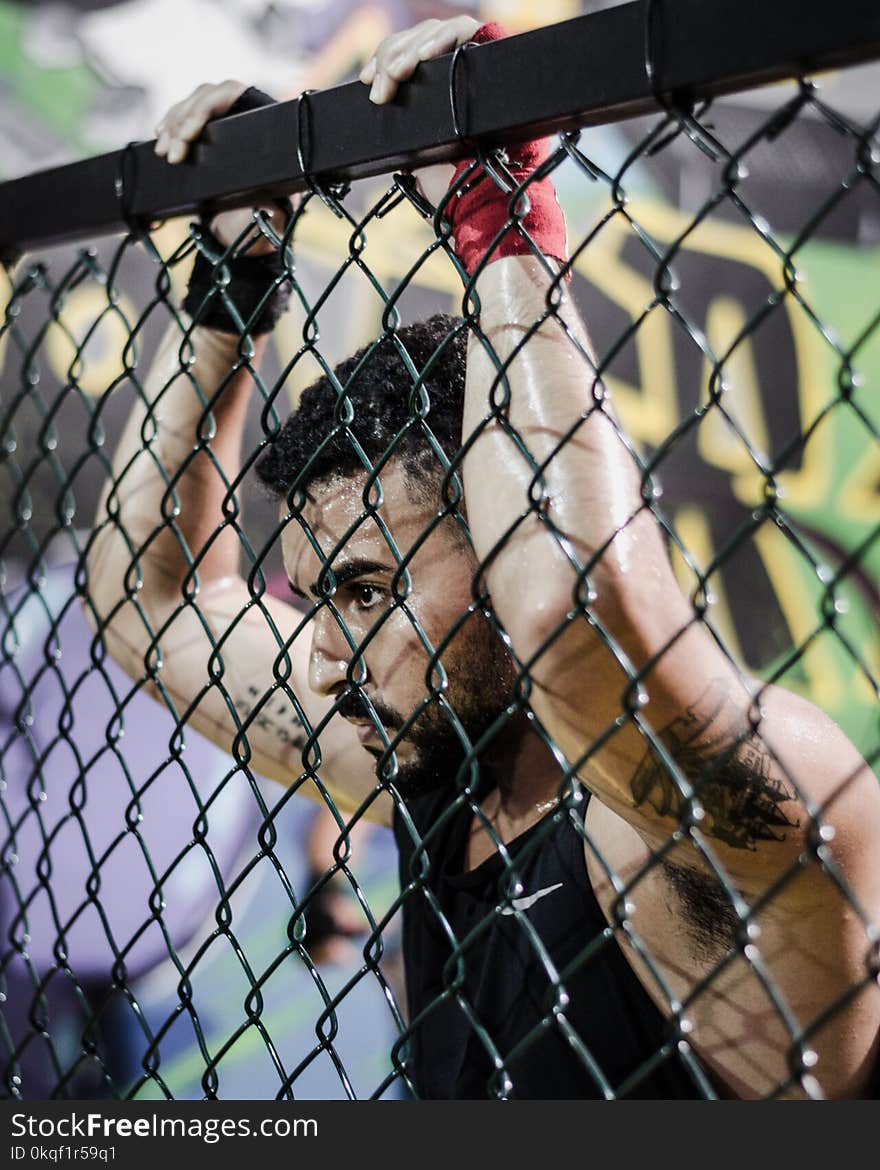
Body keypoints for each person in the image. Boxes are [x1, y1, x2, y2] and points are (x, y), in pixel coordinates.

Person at [89, 16, 880, 1099]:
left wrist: (498, 215)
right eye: (320, 597)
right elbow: (148, 600)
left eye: (367, 591)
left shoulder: (720, 811)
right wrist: (229, 290)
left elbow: (565, 611)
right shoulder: (435, 766)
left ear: (503, 542)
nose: (320, 655)